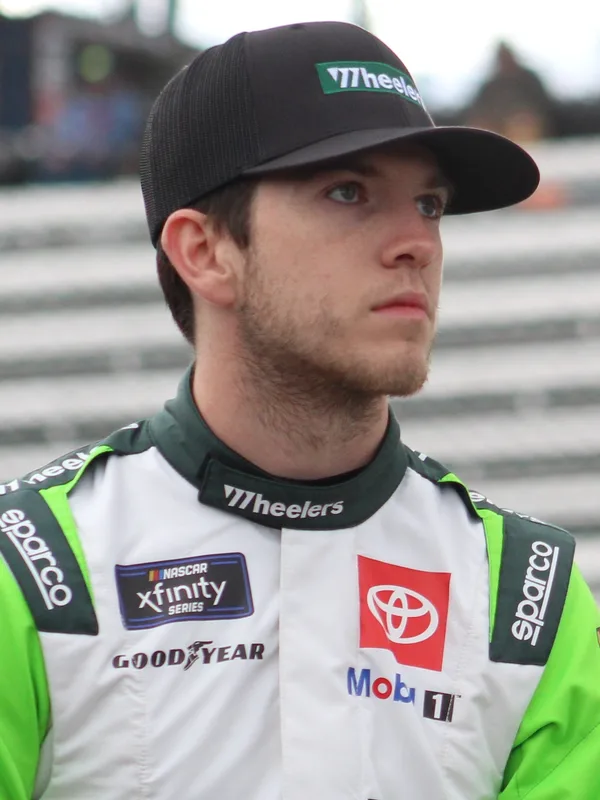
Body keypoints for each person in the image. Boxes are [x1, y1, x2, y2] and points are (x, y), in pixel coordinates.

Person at [0, 20, 598, 800]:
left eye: (428, 203)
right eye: (348, 192)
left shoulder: (528, 592)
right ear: (205, 252)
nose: (416, 244)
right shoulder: (31, 570)